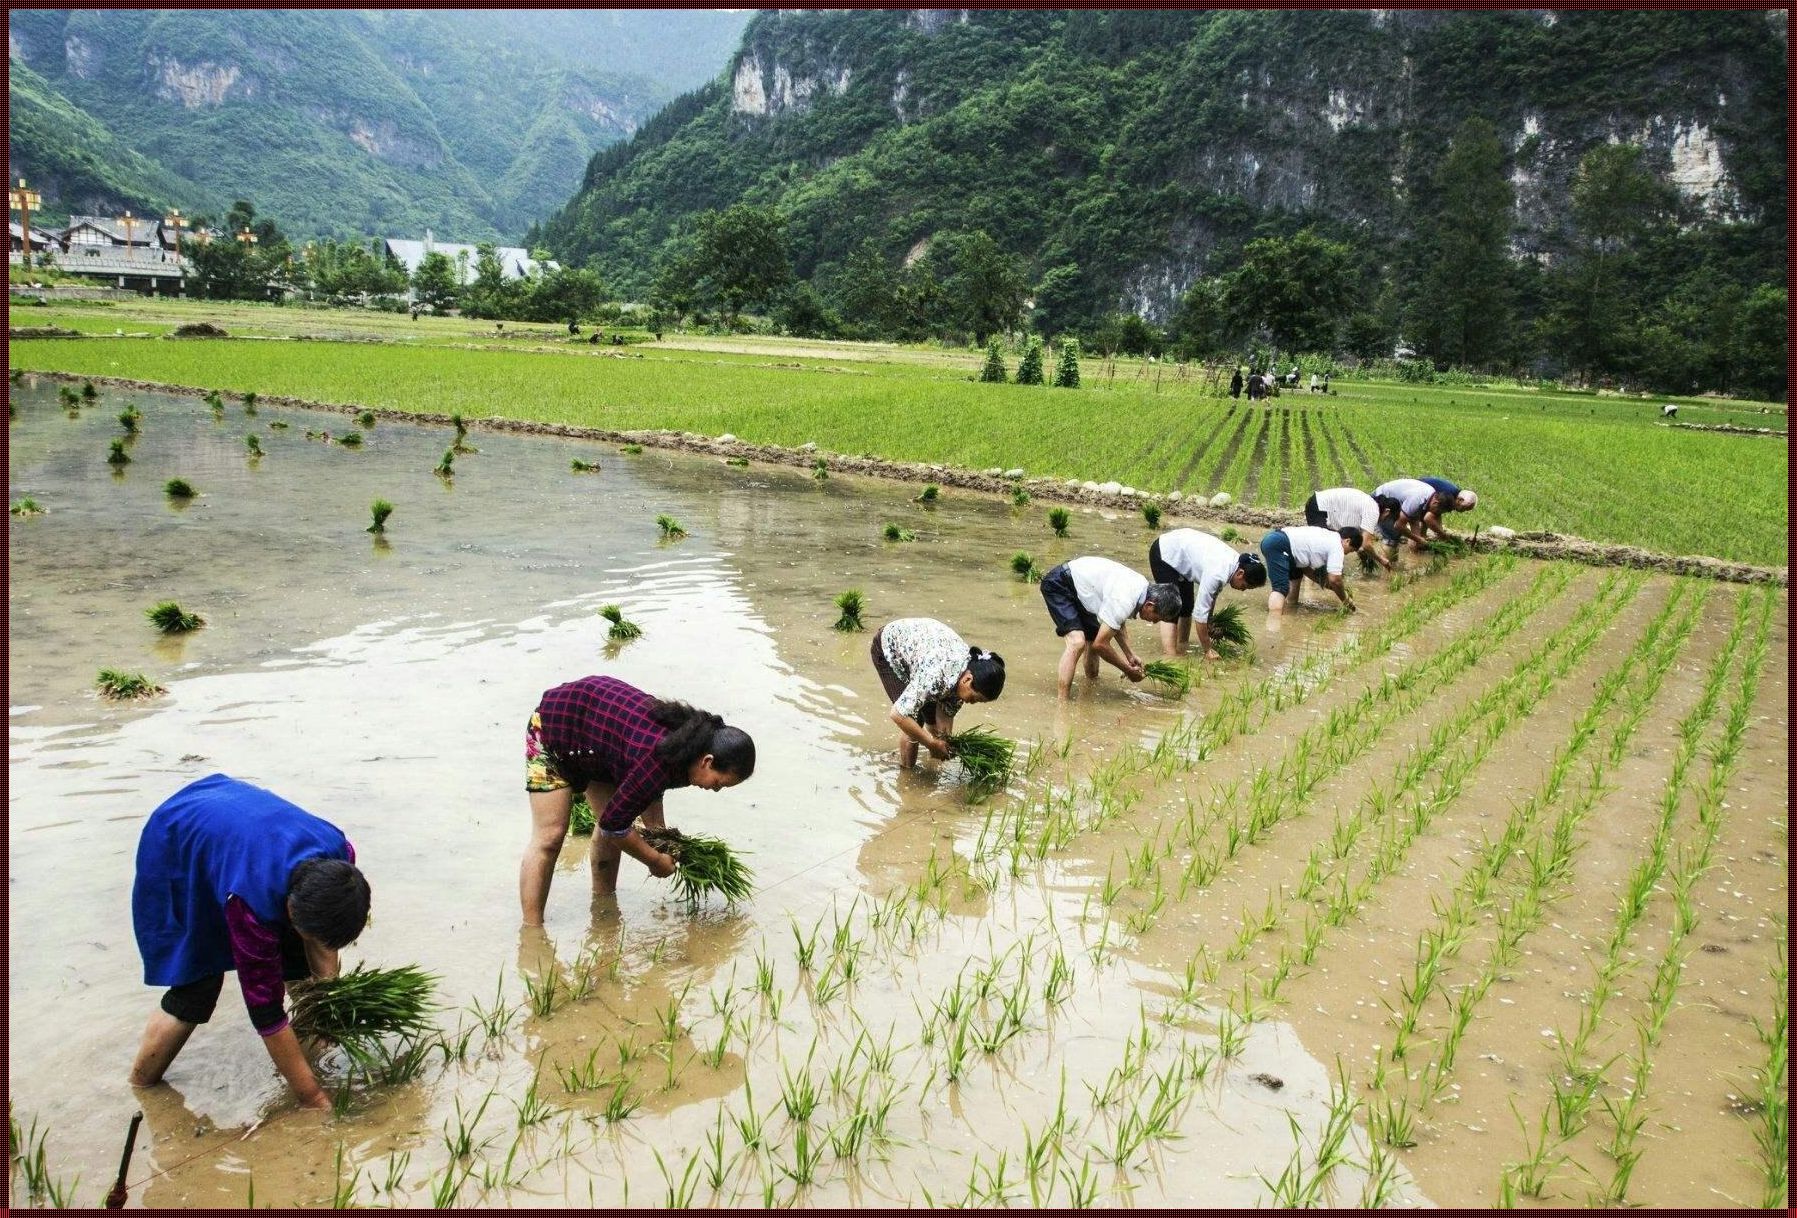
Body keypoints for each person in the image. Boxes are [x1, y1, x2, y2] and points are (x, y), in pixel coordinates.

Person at [129, 774, 370, 1110]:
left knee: (299, 967)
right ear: (289, 906)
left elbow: (321, 946)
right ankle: (142, 1086)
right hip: (178, 838)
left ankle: (307, 1056)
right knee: (196, 986)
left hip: (234, 822)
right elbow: (266, 1013)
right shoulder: (250, 903)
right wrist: (312, 1097)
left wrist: (327, 1004)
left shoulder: (339, 857)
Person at [520, 676, 755, 920]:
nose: (715, 790)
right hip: (554, 726)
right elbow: (616, 825)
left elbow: (649, 788)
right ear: (707, 761)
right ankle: (532, 932)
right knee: (550, 837)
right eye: (718, 783)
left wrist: (660, 835)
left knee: (610, 817)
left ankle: (603, 907)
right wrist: (654, 860)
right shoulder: (656, 755)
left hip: (599, 743)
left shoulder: (687, 743)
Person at [870, 617, 1006, 770]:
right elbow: (898, 714)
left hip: (925, 653)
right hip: (890, 648)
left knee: (931, 720)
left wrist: (945, 743)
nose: (972, 702)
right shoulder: (936, 675)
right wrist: (930, 743)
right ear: (967, 679)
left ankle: (931, 770)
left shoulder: (963, 676)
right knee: (915, 719)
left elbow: (944, 717)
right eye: (975, 698)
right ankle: (906, 776)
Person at [1039, 556, 1182, 697]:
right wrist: (1127, 670)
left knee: (1093, 637)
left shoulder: (1141, 589)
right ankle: (1062, 705)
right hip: (1060, 584)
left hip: (1084, 588)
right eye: (1158, 618)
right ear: (1150, 605)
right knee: (1077, 642)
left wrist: (1130, 655)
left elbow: (1117, 623)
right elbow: (1100, 645)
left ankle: (1089, 689)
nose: (1155, 622)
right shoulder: (1125, 600)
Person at [1148, 528, 1268, 658]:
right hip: (1165, 553)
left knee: (1187, 607)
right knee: (1170, 608)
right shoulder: (1218, 573)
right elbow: (1200, 616)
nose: (1243, 590)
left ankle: (1182, 645)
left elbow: (1211, 597)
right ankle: (1170, 656)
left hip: (1183, 554)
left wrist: (1209, 621)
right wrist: (1208, 650)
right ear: (1240, 574)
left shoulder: (1234, 565)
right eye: (1245, 586)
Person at [1259, 524, 1364, 617]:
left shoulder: (1328, 537)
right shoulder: (1337, 546)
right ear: (1347, 541)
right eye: (1351, 550)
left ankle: (1290, 612)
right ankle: (1273, 624)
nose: (1346, 554)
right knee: (1281, 588)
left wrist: (1331, 587)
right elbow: (1335, 579)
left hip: (1280, 542)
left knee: (1296, 576)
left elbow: (1306, 570)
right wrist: (1345, 600)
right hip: (1279, 544)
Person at [1303, 487, 1394, 571]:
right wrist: (1380, 559)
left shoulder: (1369, 504)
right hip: (1320, 508)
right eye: (1388, 519)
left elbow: (1360, 540)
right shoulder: (1374, 510)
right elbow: (1366, 544)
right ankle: (1316, 581)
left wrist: (1362, 552)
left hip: (1319, 504)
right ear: (1387, 511)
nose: (1384, 522)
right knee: (1325, 553)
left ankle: (1323, 580)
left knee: (1333, 553)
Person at [1373, 477, 1452, 548]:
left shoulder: (1430, 495)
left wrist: (1417, 540)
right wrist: (1418, 539)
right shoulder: (1418, 500)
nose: (1436, 514)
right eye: (1438, 511)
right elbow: (1399, 525)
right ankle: (1387, 563)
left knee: (1409, 540)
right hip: (1380, 502)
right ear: (1435, 503)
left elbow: (1413, 519)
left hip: (1395, 505)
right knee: (1392, 538)